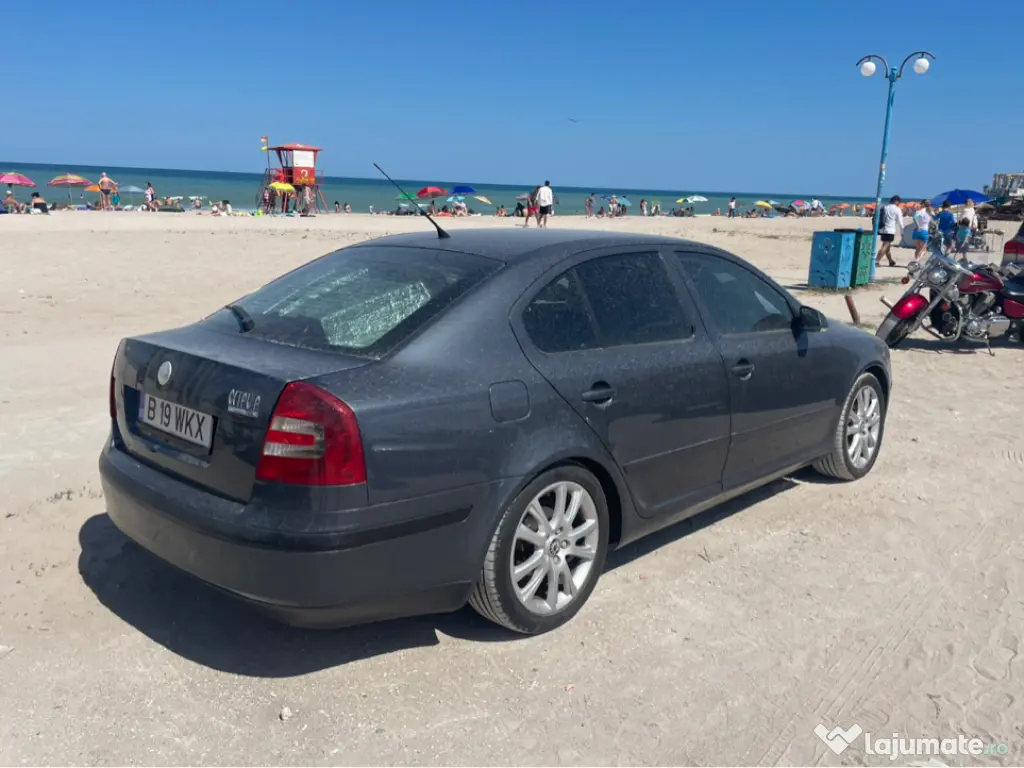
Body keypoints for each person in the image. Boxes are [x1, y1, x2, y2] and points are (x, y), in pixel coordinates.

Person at [876, 195, 903, 266]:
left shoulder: (885, 207)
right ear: (896, 201)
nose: (899, 204)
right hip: (890, 230)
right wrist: (902, 232)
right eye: (899, 202)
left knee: (887, 247)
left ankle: (891, 261)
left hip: (882, 229)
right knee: (885, 246)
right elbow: (900, 222)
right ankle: (876, 261)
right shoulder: (897, 209)